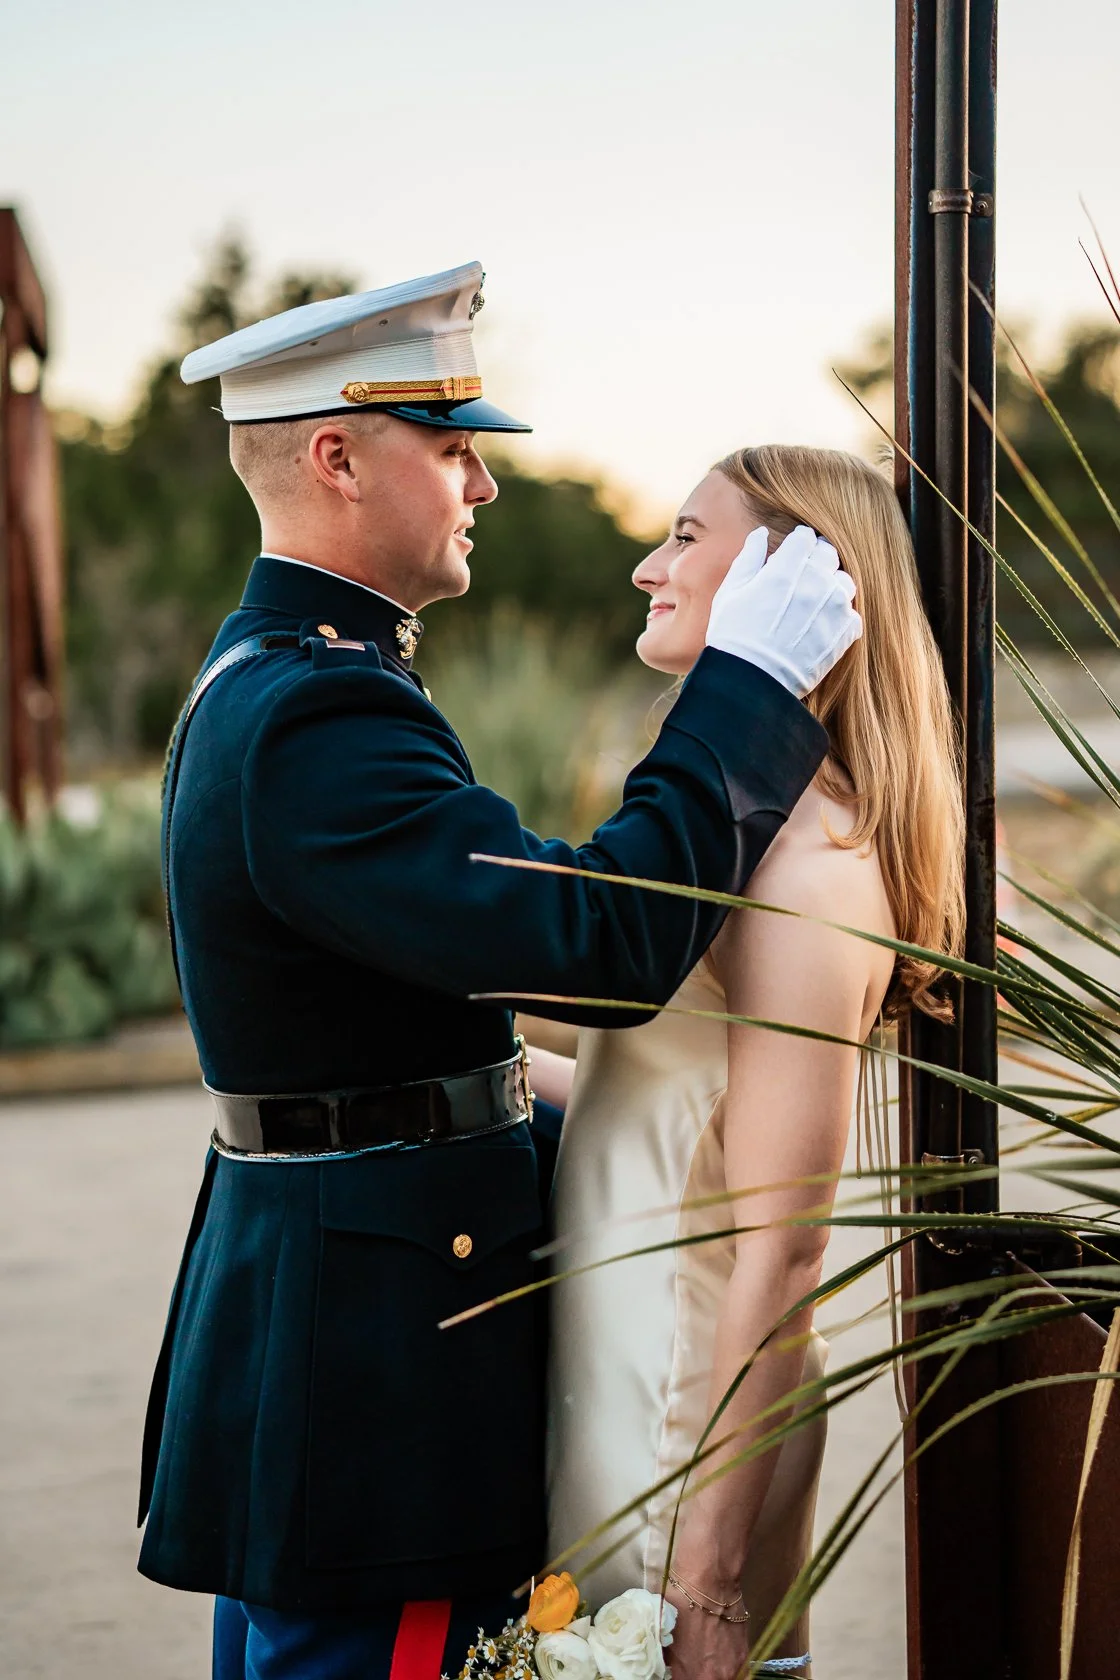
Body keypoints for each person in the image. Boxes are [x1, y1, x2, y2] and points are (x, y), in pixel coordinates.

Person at [135, 264, 862, 1680]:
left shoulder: (298, 675)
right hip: (381, 1382)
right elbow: (595, 945)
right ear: (337, 458)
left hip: (344, 1337)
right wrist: (749, 700)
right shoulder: (318, 715)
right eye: (454, 446)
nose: (485, 482)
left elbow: (404, 1027)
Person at [543, 444, 965, 1678]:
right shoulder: (754, 831)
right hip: (627, 1378)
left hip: (682, 1420)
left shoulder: (804, 868)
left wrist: (711, 1576)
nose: (646, 565)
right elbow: (670, 1109)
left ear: (798, 574)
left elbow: (783, 1244)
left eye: (682, 535)